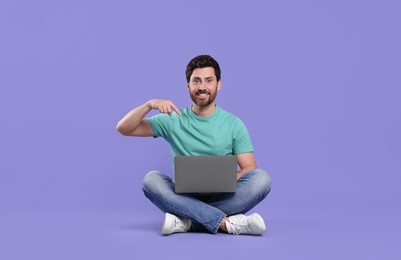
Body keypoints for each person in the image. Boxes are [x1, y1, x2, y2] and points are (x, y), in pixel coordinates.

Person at [116, 55, 271, 235]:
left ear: (218, 84)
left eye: (208, 81)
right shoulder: (172, 119)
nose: (202, 87)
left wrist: (224, 179)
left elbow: (250, 168)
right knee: (151, 180)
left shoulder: (234, 124)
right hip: (183, 195)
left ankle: (187, 221)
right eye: (196, 81)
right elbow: (123, 128)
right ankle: (225, 223)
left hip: (224, 195)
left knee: (262, 179)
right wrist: (150, 104)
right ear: (188, 86)